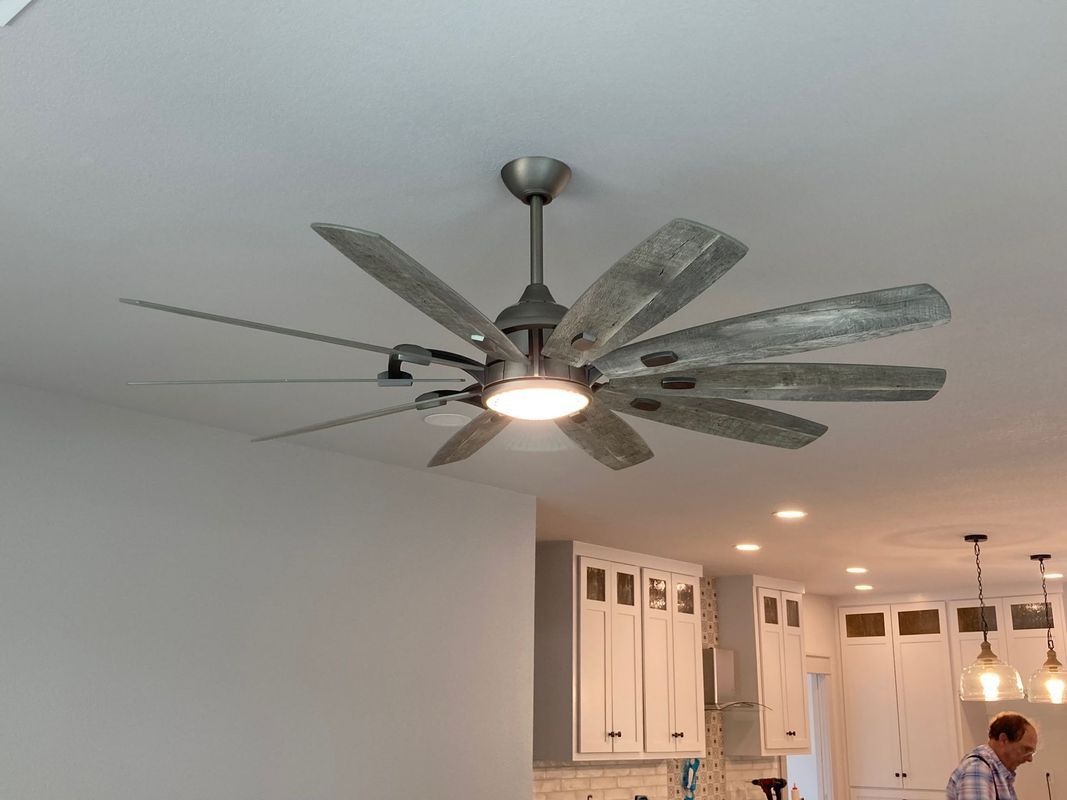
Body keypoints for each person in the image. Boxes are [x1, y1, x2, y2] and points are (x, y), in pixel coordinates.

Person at [946, 712, 1038, 800]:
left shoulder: (995, 772)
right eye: (1026, 750)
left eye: (1031, 752)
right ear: (1003, 739)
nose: (1030, 759)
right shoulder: (978, 769)